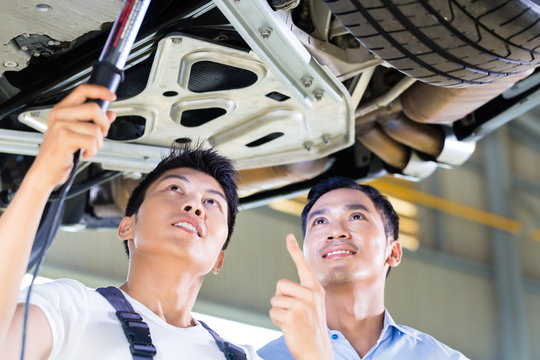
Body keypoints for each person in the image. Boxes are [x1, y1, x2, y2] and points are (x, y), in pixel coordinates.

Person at [0, 84, 261, 359]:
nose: (194, 205)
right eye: (175, 188)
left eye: (212, 202)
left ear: (219, 260)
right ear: (127, 226)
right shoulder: (71, 308)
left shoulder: (243, 356)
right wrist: (42, 178)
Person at [258, 177, 469, 359]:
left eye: (356, 217)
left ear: (393, 252)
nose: (335, 232)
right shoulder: (264, 359)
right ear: (306, 254)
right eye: (320, 221)